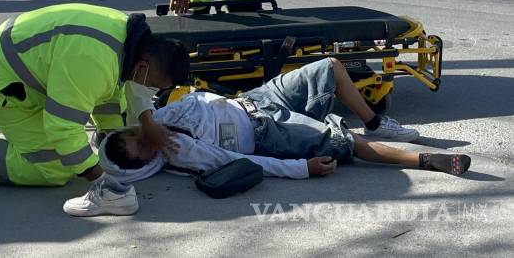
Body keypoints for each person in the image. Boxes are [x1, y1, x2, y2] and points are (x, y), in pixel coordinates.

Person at [63, 58, 470, 217]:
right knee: (343, 141)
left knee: (329, 67)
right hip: (268, 133)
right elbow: (246, 162)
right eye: (142, 146)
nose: (146, 137)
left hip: (258, 99)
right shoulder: (182, 154)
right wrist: (302, 169)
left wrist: (147, 121)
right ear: (145, 161)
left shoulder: (156, 119)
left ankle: (376, 122)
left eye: (136, 133)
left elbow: (141, 90)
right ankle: (424, 161)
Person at [0, 3, 190, 190]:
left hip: (16, 64)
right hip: (0, 85)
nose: (150, 90)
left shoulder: (124, 37)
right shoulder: (93, 62)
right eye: (153, 85)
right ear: (143, 67)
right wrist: (101, 180)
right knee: (54, 167)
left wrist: (110, 134)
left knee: (102, 103)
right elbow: (62, 128)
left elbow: (108, 94)